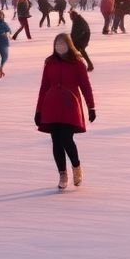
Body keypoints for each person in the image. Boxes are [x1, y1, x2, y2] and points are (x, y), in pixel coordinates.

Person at [34, 32, 96, 191]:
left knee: (66, 139)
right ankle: (62, 174)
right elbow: (44, 87)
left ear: (69, 45)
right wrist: (38, 110)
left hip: (70, 105)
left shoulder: (77, 63)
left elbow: (85, 87)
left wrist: (91, 106)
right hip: (51, 105)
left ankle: (76, 167)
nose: (60, 47)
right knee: (56, 141)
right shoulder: (50, 63)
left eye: (62, 44)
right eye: (57, 45)